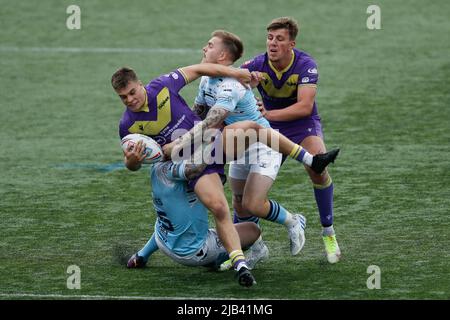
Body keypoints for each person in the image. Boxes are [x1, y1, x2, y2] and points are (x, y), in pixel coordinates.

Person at [163, 30, 339, 268]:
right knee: (239, 202)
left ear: (223, 55)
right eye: (270, 37)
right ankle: (255, 250)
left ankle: (296, 221)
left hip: (264, 144)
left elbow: (213, 120)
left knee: (255, 203)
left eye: (210, 45)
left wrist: (178, 144)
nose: (204, 48)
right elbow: (200, 113)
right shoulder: (208, 79)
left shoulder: (230, 86)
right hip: (240, 145)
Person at [111, 63, 256, 286]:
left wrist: (235, 73)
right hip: (173, 168)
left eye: (132, 92)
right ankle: (144, 255)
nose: (130, 100)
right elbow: (131, 165)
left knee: (217, 206)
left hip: (203, 151)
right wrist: (132, 161)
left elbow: (199, 69)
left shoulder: (162, 86)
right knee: (170, 216)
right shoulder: (127, 127)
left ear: (140, 85)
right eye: (123, 97)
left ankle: (240, 264)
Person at [242, 17, 341, 263]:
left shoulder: (306, 65)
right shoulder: (256, 64)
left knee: (318, 167)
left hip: (300, 125)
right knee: (243, 186)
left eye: (279, 39)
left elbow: (305, 107)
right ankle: (248, 247)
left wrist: (268, 114)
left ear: (291, 44)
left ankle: (328, 233)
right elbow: (232, 86)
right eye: (270, 38)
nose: (272, 44)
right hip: (268, 126)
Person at [126, 143, 259, 287]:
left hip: (162, 239)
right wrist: (218, 147)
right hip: (193, 252)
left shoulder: (156, 167)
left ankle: (141, 255)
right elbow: (194, 169)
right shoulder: (175, 170)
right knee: (253, 230)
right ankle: (216, 260)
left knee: (169, 219)